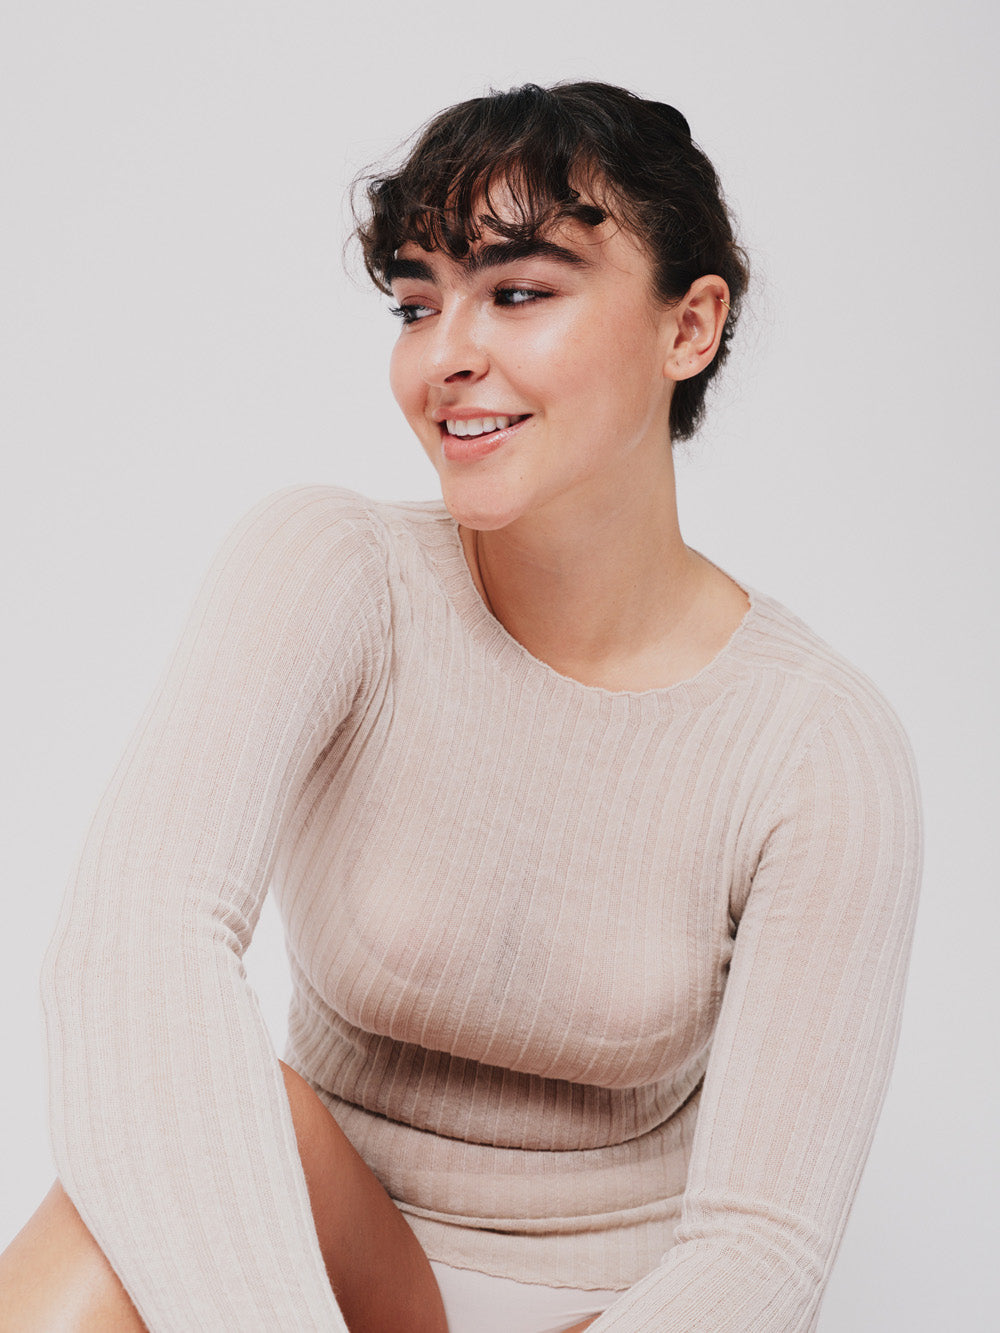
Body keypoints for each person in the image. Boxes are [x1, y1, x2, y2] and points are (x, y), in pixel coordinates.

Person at [0, 81, 922, 1333]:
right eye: (419, 302)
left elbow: (762, 1248)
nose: (446, 355)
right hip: (310, 1272)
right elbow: (132, 947)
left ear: (689, 326)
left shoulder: (818, 744)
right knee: (116, 1220)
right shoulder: (336, 574)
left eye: (522, 291)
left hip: (610, 1309)